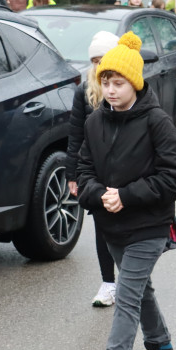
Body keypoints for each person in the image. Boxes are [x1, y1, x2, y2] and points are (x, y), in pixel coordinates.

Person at [77, 32, 176, 350]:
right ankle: (160, 347)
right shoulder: (95, 122)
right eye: (105, 82)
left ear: (135, 83)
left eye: (118, 82)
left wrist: (126, 196)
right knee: (139, 290)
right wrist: (100, 195)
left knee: (126, 295)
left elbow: (175, 175)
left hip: (149, 226)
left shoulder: (156, 121)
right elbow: (83, 169)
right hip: (113, 226)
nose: (110, 89)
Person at [67, 31, 120, 307]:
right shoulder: (84, 91)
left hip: (125, 171)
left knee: (127, 226)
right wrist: (72, 173)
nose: (99, 66)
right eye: (95, 61)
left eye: (104, 59)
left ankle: (133, 281)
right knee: (102, 227)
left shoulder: (127, 88)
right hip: (95, 171)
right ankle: (108, 283)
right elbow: (75, 134)